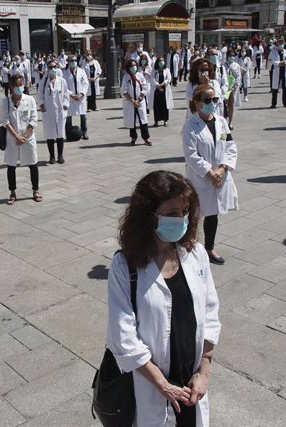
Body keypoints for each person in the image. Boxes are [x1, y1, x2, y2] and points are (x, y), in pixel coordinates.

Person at [106, 170, 221, 427]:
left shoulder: (196, 254)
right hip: (152, 387)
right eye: (171, 214)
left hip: (192, 387)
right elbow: (123, 336)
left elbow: (211, 313)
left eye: (184, 212)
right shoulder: (125, 265)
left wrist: (204, 371)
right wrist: (163, 385)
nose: (180, 220)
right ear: (149, 216)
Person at [182, 84, 238, 265]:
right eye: (207, 100)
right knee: (194, 214)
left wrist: (223, 168)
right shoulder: (191, 125)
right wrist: (210, 172)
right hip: (201, 177)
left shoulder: (221, 122)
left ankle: (209, 247)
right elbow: (191, 154)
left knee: (213, 213)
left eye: (214, 99)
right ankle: (187, 246)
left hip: (220, 175)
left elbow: (230, 146)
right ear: (197, 103)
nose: (212, 103)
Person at [2, 73, 42, 205]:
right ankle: (12, 192)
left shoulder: (29, 99)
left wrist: (24, 136)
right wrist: (16, 136)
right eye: (17, 85)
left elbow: (34, 119)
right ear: (12, 86)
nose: (20, 87)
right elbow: (5, 121)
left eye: (21, 84)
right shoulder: (6, 101)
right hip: (12, 137)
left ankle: (35, 190)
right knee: (11, 165)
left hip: (28, 138)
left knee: (33, 163)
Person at [37, 59, 69, 164]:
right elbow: (39, 96)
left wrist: (65, 105)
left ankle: (60, 155)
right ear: (47, 69)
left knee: (60, 133)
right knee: (50, 134)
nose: (53, 69)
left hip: (60, 111)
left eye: (55, 67)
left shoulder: (62, 81)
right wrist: (42, 106)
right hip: (48, 111)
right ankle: (51, 156)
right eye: (50, 67)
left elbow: (66, 96)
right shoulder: (43, 82)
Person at [121, 59, 151, 146]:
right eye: (131, 66)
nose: (133, 67)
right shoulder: (126, 77)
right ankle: (133, 137)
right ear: (128, 67)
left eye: (134, 65)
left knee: (143, 120)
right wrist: (132, 101)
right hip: (130, 103)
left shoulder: (140, 75)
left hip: (140, 102)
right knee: (132, 120)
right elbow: (124, 90)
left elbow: (144, 88)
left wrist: (139, 99)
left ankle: (146, 138)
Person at [63, 55, 89, 140]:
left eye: (75, 60)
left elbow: (86, 84)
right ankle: (68, 133)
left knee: (83, 116)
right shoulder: (65, 74)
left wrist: (82, 94)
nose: (74, 62)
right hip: (70, 98)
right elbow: (64, 87)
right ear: (68, 62)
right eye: (72, 61)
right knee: (68, 117)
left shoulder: (82, 72)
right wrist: (71, 95)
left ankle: (84, 132)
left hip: (81, 97)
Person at [149, 57, 174, 127]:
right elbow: (152, 79)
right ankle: (156, 121)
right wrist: (157, 85)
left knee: (165, 106)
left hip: (165, 89)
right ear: (157, 62)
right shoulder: (154, 70)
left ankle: (165, 121)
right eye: (160, 61)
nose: (161, 62)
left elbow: (169, 78)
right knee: (156, 106)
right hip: (156, 90)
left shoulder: (166, 70)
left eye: (162, 60)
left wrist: (162, 84)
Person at [269, 40, 286, 108]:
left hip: (284, 72)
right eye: (280, 43)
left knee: (285, 88)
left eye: (282, 43)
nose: (281, 45)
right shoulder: (274, 52)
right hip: (277, 71)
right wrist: (280, 63)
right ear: (277, 44)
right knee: (275, 89)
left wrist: (282, 63)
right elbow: (272, 61)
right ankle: (274, 103)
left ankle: (285, 103)